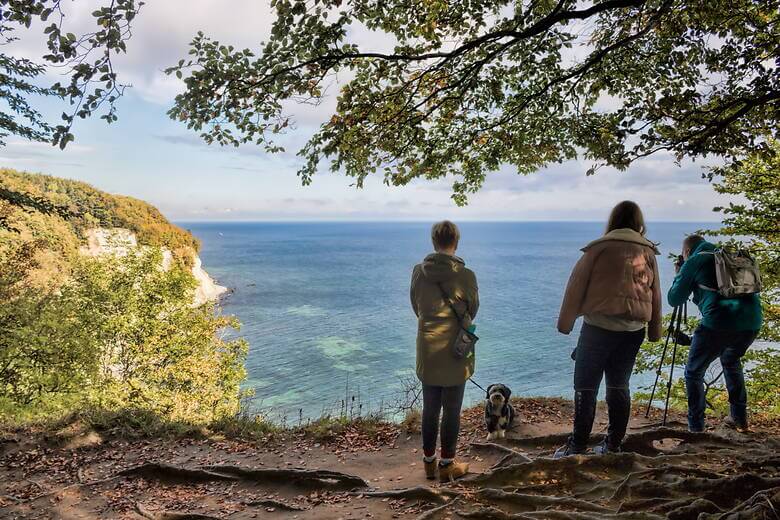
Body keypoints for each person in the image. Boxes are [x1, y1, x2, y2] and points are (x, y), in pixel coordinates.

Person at [556, 201, 663, 457]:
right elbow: (655, 294)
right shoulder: (647, 252)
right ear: (639, 222)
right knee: (619, 385)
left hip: (598, 327)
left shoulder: (598, 249)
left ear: (613, 221)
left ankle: (577, 445)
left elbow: (576, 287)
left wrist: (566, 323)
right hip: (633, 329)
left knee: (585, 386)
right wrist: (654, 330)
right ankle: (613, 445)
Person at [668, 235, 762, 433]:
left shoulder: (695, 260)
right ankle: (739, 418)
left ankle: (696, 426)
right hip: (752, 323)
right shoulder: (727, 256)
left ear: (686, 252)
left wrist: (679, 274)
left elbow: (674, 299)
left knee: (693, 372)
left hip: (718, 323)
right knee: (730, 360)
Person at [410, 220, 479, 482]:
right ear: (456, 242)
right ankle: (447, 465)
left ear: (433, 241)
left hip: (428, 346)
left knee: (430, 407)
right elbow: (472, 311)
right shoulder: (466, 275)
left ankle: (428, 464)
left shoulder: (418, 272)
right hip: (455, 349)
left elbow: (416, 305)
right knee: (452, 409)